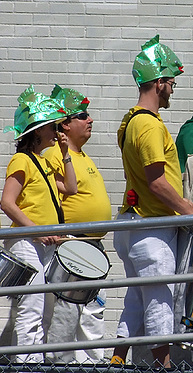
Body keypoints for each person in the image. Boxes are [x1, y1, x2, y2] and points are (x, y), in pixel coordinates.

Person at [111, 35, 193, 368]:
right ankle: (163, 365)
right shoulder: (149, 125)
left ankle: (116, 358)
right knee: (160, 300)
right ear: (158, 83)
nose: (173, 89)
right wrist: (192, 214)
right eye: (170, 83)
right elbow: (157, 183)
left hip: (133, 225)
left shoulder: (131, 121)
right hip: (150, 228)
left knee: (136, 298)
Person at [1, 85, 77, 363]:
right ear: (37, 131)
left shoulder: (42, 162)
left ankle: (33, 362)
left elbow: (70, 187)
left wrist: (66, 153)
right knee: (30, 307)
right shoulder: (21, 159)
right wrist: (36, 230)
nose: (57, 132)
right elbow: (7, 202)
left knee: (44, 308)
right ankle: (23, 364)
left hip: (42, 242)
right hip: (27, 242)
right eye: (52, 127)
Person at [42, 86, 112, 364]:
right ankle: (59, 364)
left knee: (93, 309)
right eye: (83, 116)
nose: (90, 120)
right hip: (70, 245)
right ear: (65, 125)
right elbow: (44, 196)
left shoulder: (84, 156)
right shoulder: (52, 155)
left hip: (93, 246)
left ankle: (93, 363)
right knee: (65, 311)